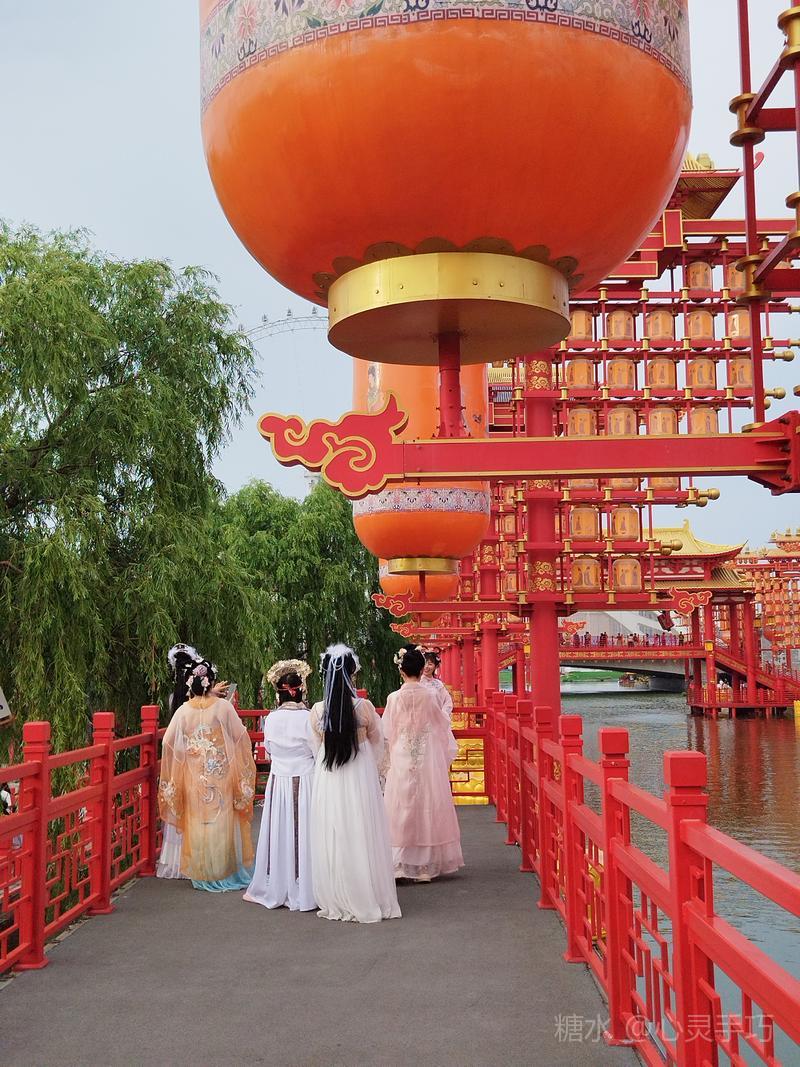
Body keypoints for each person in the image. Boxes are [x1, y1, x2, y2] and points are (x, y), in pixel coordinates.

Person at [308, 644, 400, 923]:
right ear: (352, 675)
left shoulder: (318, 710)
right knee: (362, 826)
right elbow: (378, 741)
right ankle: (367, 891)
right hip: (359, 769)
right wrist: (372, 766)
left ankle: (337, 894)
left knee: (333, 829)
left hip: (329, 772)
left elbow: (315, 746)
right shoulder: (364, 707)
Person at [158, 659, 257, 891]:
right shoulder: (223, 707)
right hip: (220, 773)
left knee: (198, 822)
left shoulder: (183, 711)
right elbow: (241, 737)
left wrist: (184, 759)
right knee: (220, 821)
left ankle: (202, 873)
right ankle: (221, 870)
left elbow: (167, 741)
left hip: (193, 776)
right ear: (211, 682)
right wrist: (229, 757)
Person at [383, 647, 464, 883]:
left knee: (401, 802)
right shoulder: (429, 696)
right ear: (421, 670)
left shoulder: (393, 698)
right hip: (426, 751)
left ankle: (399, 862)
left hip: (402, 751)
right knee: (428, 800)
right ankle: (425, 866)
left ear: (401, 671)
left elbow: (387, 730)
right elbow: (441, 724)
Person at [244, 659, 316, 912]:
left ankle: (278, 880)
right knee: (305, 828)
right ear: (301, 690)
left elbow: (270, 748)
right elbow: (316, 749)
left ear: (279, 693)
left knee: (279, 827)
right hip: (305, 778)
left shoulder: (272, 718)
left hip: (279, 778)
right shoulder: (309, 717)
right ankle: (306, 883)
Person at [420, 648, 454, 725]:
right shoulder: (416, 682)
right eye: (424, 663)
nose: (426, 666)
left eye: (430, 664)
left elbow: (447, 701)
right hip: (421, 722)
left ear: (435, 667)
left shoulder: (438, 684)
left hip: (437, 722)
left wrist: (442, 715)